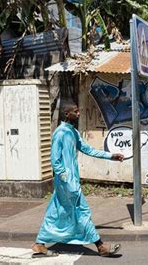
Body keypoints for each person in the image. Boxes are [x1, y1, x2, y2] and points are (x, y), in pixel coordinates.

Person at [32, 99, 124, 257]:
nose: (79, 113)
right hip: (67, 182)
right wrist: (66, 180)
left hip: (69, 181)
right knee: (82, 211)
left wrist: (110, 156)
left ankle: (40, 243)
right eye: (76, 111)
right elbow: (55, 161)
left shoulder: (72, 132)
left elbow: (87, 149)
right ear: (67, 114)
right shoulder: (60, 133)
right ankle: (100, 246)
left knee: (56, 211)